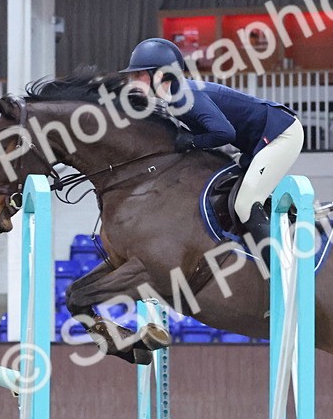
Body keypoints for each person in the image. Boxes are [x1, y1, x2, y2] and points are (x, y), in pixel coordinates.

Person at [120, 37, 304, 259]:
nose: (133, 81)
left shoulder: (184, 96)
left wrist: (193, 141)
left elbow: (224, 133)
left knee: (245, 204)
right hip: (256, 142)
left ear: (160, 74)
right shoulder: (174, 98)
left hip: (281, 134)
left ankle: (279, 268)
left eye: (138, 75)